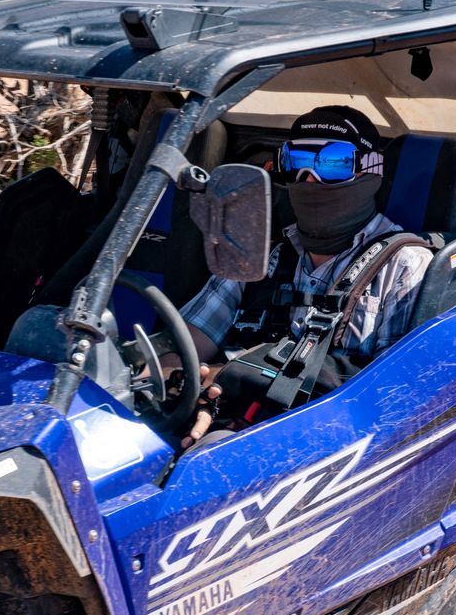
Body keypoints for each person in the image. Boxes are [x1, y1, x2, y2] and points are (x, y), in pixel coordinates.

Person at [174, 105, 433, 448]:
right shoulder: (265, 256)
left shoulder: (406, 266)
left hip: (332, 448)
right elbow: (185, 345)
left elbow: (393, 401)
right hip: (229, 422)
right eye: (296, 162)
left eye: (333, 162)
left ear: (370, 170)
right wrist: (177, 384)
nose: (310, 178)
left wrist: (234, 376)